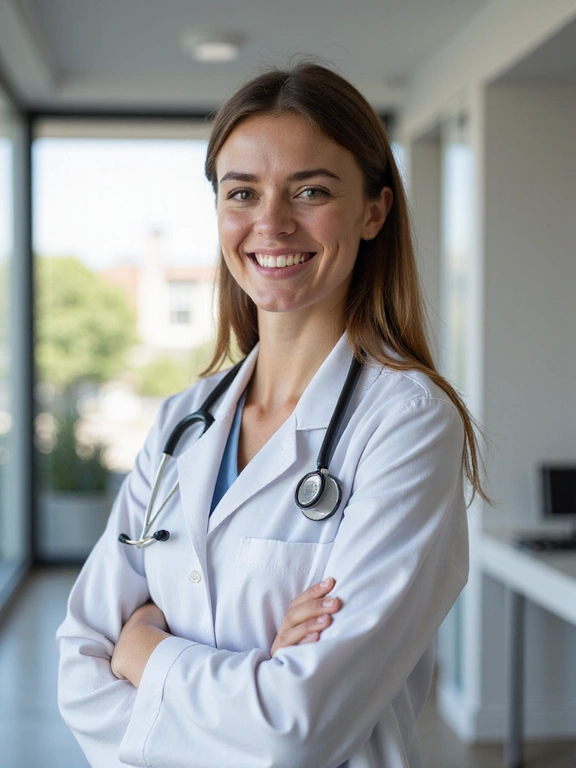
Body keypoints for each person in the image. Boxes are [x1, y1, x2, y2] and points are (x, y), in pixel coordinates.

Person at [57, 61, 485, 768]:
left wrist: (146, 652)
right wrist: (257, 677)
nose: (271, 223)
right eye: (242, 193)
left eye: (310, 190)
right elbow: (79, 665)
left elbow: (299, 728)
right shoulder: (182, 422)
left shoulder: (406, 425)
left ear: (374, 210)